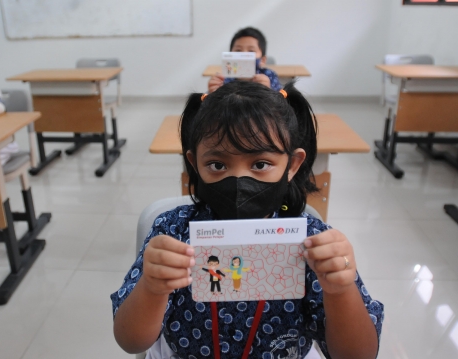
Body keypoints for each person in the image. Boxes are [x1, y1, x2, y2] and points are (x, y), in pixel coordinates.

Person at [111, 81, 383, 358]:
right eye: (217, 165)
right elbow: (131, 342)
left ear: (292, 165)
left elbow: (358, 355)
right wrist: (152, 288)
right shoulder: (172, 232)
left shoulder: (311, 243)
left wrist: (340, 290)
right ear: (194, 164)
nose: (239, 181)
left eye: (260, 164)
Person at [208, 27, 282, 94]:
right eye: (238, 51)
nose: (244, 55)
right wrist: (213, 93)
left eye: (251, 51)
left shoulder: (269, 76)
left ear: (262, 60)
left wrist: (268, 90)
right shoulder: (223, 79)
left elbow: (281, 103)